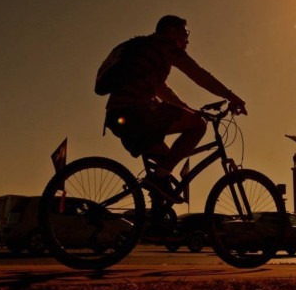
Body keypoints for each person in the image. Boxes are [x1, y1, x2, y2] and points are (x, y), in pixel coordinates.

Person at [103, 15, 246, 203]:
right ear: (171, 31)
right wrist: (231, 96)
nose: (187, 39)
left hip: (117, 117)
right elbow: (198, 74)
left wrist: (187, 109)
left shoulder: (148, 52)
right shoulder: (165, 45)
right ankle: (159, 178)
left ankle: (155, 224)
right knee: (198, 126)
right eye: (185, 33)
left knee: (164, 166)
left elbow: (162, 90)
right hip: (136, 113)